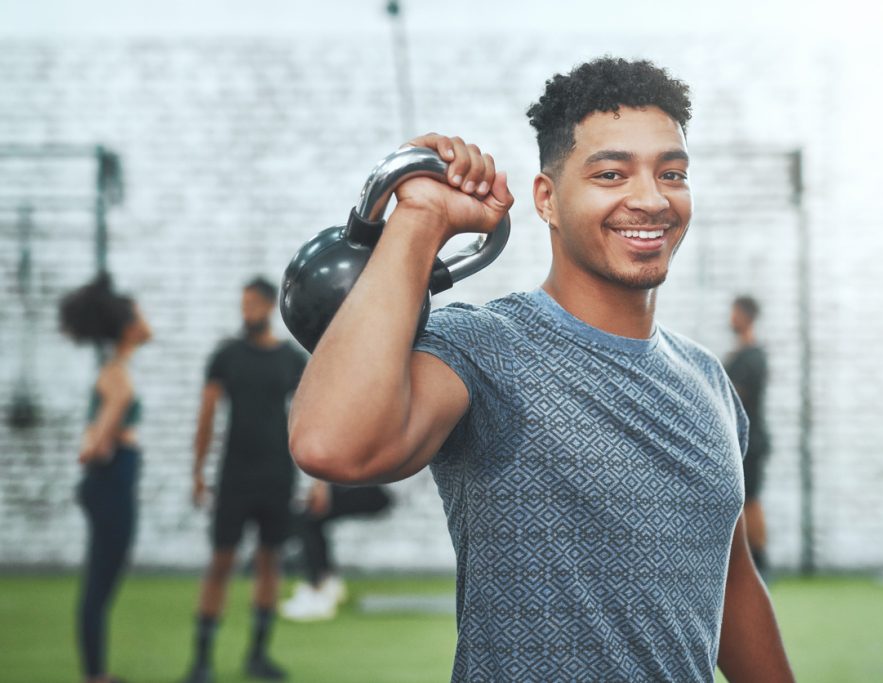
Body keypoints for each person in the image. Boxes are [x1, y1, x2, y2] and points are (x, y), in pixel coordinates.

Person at [289, 57, 794, 682]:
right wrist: (420, 218)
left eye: (672, 173)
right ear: (547, 200)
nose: (651, 198)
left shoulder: (707, 381)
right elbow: (330, 444)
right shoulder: (485, 346)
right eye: (612, 173)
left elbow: (733, 587)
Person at [182, 277, 307, 683]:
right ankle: (201, 661)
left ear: (269, 306)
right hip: (234, 476)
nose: (245, 310)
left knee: (270, 563)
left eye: (252, 303)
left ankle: (257, 655)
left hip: (277, 477)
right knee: (221, 562)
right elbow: (207, 416)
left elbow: (309, 418)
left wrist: (317, 481)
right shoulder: (226, 356)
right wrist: (199, 472)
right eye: (242, 303)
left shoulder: (290, 359)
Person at [60, 272, 153, 683]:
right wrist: (105, 440)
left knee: (103, 579)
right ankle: (95, 675)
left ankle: (96, 671)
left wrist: (104, 439)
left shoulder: (116, 369)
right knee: (100, 582)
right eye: (140, 315)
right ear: (128, 327)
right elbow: (93, 447)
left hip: (111, 482)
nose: (147, 323)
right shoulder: (117, 375)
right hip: (110, 481)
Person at [280, 482, 392, 621]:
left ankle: (318, 593)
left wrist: (322, 486)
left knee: (310, 518)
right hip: (370, 485)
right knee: (311, 518)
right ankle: (327, 583)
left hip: (379, 488)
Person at [724, 295, 772, 576]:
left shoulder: (754, 357)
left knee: (751, 499)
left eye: (734, 313)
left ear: (745, 316)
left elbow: (738, 394)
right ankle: (750, 561)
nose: (730, 319)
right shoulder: (740, 353)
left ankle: (761, 562)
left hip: (752, 443)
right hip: (738, 439)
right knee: (744, 500)